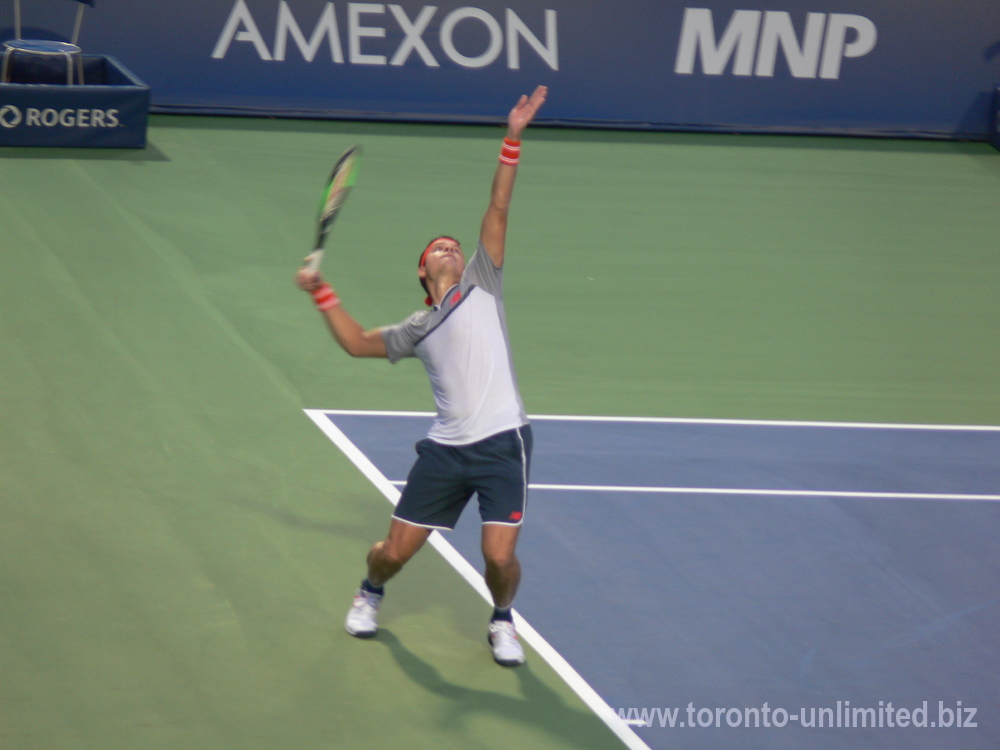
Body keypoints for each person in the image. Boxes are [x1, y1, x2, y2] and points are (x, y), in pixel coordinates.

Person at [295, 86, 547, 666]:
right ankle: (370, 591)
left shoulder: (484, 282)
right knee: (392, 552)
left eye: (455, 245)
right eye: (440, 248)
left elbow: (498, 209)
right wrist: (321, 292)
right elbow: (358, 342)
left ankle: (503, 621)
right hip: (446, 453)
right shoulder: (417, 327)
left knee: (500, 560)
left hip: (505, 443)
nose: (452, 248)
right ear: (422, 269)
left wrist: (512, 138)